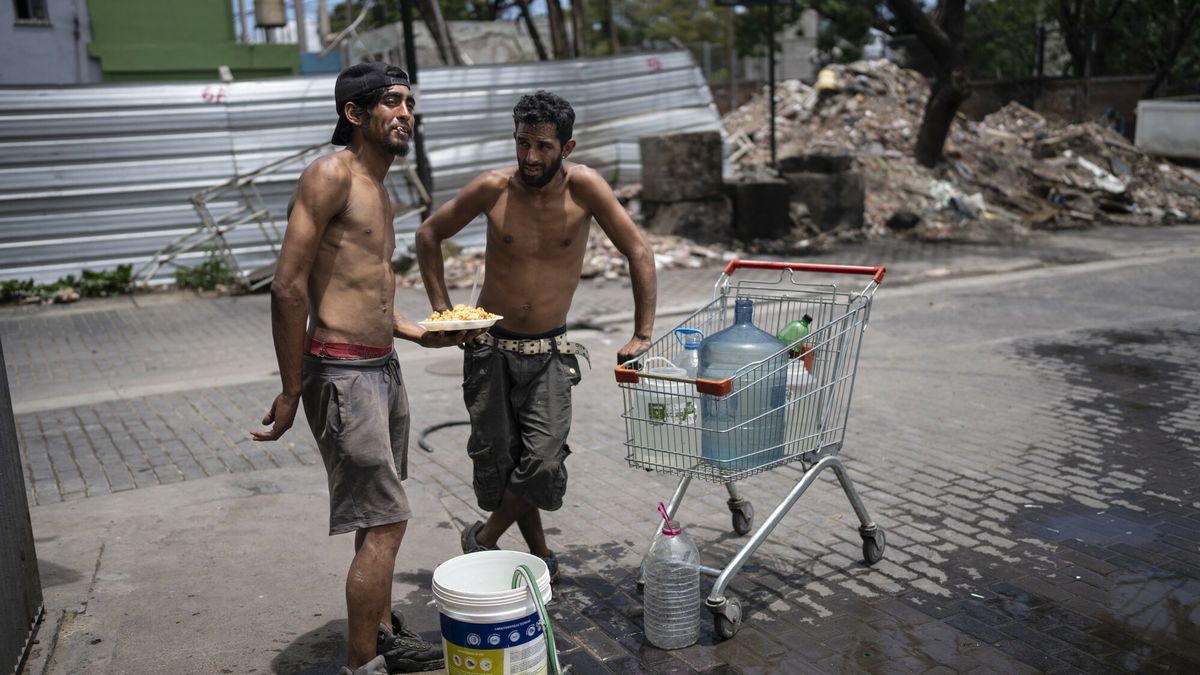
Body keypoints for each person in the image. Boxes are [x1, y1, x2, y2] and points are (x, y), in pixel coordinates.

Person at [252, 62, 475, 675]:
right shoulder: (330, 175)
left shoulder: (381, 188)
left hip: (381, 368)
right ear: (354, 114)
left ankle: (381, 636)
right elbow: (287, 287)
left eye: (409, 102)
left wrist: (421, 332)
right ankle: (363, 664)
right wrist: (292, 389)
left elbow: (367, 289)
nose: (406, 113)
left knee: (375, 516)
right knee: (389, 519)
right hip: (343, 373)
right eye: (393, 103)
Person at [414, 90, 657, 582]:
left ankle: (483, 538)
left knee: (542, 461)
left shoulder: (585, 187)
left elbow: (639, 252)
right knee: (506, 464)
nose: (530, 157)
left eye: (543, 146)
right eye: (523, 143)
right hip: (489, 350)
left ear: (566, 148)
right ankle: (540, 556)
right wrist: (444, 311)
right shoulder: (491, 188)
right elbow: (428, 235)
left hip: (549, 353)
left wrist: (642, 334)